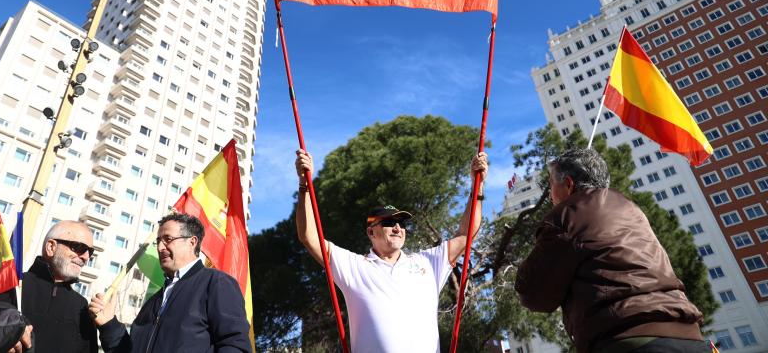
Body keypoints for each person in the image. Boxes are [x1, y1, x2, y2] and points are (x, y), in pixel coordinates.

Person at [515, 148, 707, 353]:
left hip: (629, 339)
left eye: (551, 184)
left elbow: (534, 294)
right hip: (691, 336)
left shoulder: (568, 214)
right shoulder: (632, 208)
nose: (551, 195)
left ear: (569, 184)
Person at [294, 149, 488, 353]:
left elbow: (466, 235)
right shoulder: (354, 267)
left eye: (402, 223)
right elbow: (309, 236)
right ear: (371, 232)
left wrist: (478, 185)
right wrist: (304, 186)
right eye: (389, 222)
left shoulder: (428, 263)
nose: (398, 228)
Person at [90, 212, 252, 353]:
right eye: (158, 240)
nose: (160, 247)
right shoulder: (152, 303)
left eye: (168, 239)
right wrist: (109, 325)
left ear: (192, 242)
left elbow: (234, 344)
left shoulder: (216, 283)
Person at [18, 220, 98, 352]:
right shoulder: (12, 285)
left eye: (90, 251)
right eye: (78, 247)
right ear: (51, 247)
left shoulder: (81, 307)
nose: (86, 257)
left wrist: (108, 326)